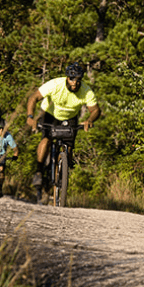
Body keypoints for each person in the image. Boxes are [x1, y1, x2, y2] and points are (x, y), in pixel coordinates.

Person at [25, 60, 102, 193]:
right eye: (72, 79)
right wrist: (30, 117)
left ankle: (64, 168)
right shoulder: (55, 84)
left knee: (69, 147)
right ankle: (38, 170)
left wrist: (89, 120)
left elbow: (95, 110)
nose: (75, 82)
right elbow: (33, 97)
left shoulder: (86, 90)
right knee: (46, 139)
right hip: (50, 114)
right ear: (67, 77)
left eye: (78, 80)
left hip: (70, 117)